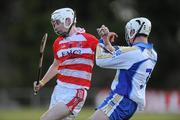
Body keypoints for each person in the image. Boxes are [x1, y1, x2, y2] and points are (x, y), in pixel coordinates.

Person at [34, 8, 98, 120]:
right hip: (59, 90)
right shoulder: (58, 43)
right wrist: (42, 82)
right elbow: (56, 65)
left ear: (68, 21)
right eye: (53, 24)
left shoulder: (89, 39)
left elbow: (107, 55)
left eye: (57, 23)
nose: (55, 27)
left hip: (76, 91)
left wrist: (106, 42)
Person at [90, 17, 158, 120]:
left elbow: (100, 60)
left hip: (120, 100)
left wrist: (102, 40)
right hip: (131, 104)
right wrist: (107, 42)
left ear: (133, 31)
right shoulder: (152, 53)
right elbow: (120, 56)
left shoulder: (134, 52)